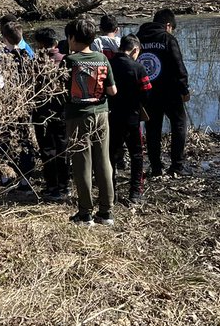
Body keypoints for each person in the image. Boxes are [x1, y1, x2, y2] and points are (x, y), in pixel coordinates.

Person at [62, 16, 118, 225]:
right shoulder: (102, 58)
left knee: (82, 163)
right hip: (101, 113)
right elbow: (112, 90)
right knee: (103, 161)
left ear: (73, 38)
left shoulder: (70, 61)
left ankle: (85, 213)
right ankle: (106, 212)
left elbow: (59, 90)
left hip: (78, 115)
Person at [136, 8, 191, 177]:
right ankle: (177, 166)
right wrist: (184, 89)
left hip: (147, 92)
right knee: (179, 124)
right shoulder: (168, 39)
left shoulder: (137, 39)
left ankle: (156, 167)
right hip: (170, 92)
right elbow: (178, 66)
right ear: (168, 25)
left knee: (152, 129)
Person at [0, 19, 35, 189]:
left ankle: (5, 177)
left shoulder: (0, 53)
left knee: (3, 139)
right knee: (25, 139)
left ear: (4, 37)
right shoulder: (27, 52)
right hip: (24, 101)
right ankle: (25, 178)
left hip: (6, 101)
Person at [107, 34, 152, 203]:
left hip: (111, 116)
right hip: (132, 117)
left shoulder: (108, 64)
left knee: (111, 155)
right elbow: (147, 92)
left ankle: (111, 191)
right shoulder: (138, 68)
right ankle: (135, 192)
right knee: (137, 155)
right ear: (135, 50)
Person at [30, 27, 70, 202]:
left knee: (47, 149)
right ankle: (64, 186)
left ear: (39, 45)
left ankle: (51, 186)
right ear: (55, 43)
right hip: (61, 111)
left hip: (41, 112)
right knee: (63, 147)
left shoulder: (34, 63)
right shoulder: (64, 61)